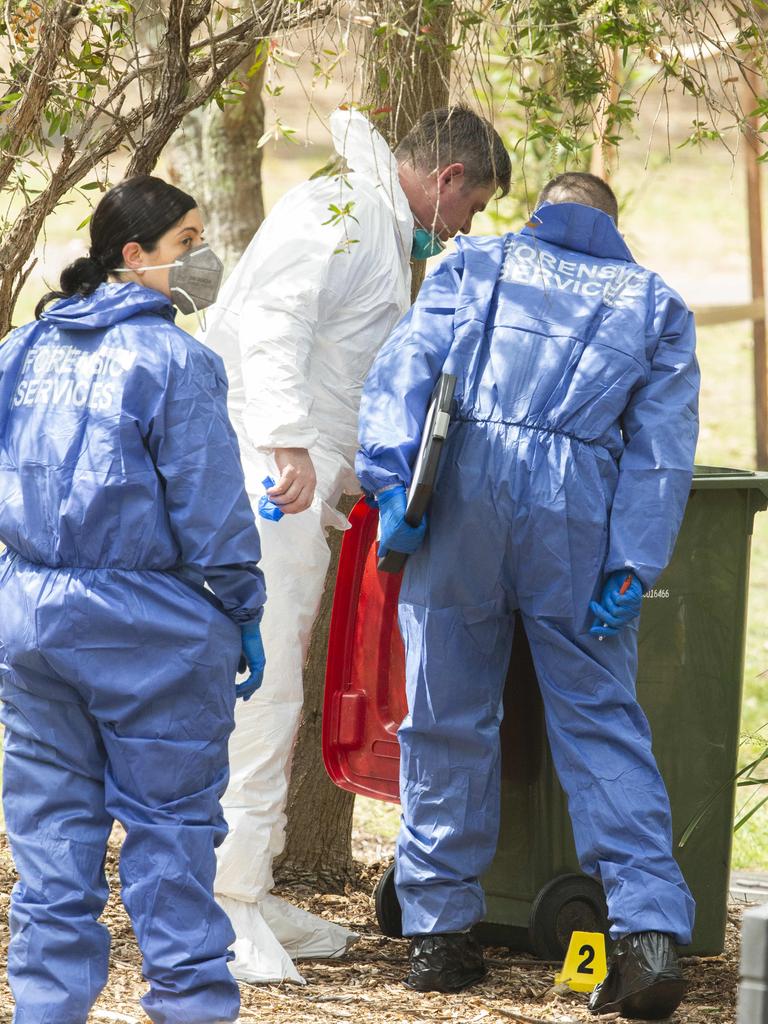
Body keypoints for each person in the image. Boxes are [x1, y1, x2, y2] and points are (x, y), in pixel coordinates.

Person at [356, 172, 699, 1019]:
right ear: (610, 226)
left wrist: (395, 486)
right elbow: (661, 449)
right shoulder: (655, 303)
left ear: (542, 211)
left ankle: (438, 934)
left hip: (464, 493)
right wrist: (631, 564)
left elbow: (404, 372)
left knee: (446, 711)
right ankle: (649, 934)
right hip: (576, 508)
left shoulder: (476, 263)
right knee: (599, 720)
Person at [201, 104, 512, 982]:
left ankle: (245, 884)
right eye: (474, 206)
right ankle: (224, 904)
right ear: (447, 179)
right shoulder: (339, 212)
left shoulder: (372, 219)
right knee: (265, 684)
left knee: (278, 681)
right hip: (268, 470)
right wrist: (290, 440)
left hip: (297, 473)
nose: (468, 227)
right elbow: (274, 322)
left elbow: (339, 358)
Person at [0, 175, 267, 1024]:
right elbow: (212, 511)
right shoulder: (176, 362)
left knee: (49, 838)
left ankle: (46, 1009)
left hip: (30, 625)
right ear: (134, 255)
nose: (203, 258)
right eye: (187, 243)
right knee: (172, 839)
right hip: (148, 635)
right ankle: (189, 1008)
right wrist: (242, 612)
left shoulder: (22, 352)